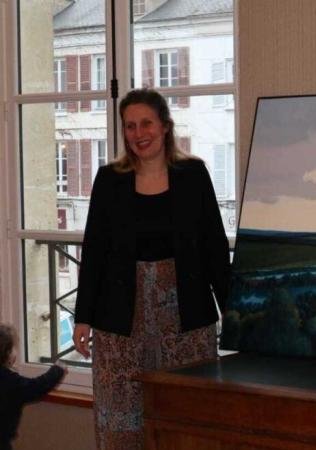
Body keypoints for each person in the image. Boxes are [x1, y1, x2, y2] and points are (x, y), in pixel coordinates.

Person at [72, 88, 231, 450]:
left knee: (187, 413)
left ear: (165, 126)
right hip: (119, 318)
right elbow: (94, 251)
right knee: (121, 415)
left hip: (186, 315)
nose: (139, 133)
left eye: (146, 123)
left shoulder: (194, 174)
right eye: (130, 126)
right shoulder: (109, 179)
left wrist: (234, 315)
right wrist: (83, 317)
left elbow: (214, 249)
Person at [0, 324, 67, 450]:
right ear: (8, 352)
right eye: (15, 348)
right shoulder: (10, 382)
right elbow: (37, 386)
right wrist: (58, 370)